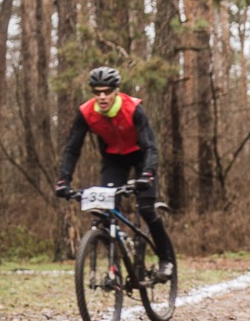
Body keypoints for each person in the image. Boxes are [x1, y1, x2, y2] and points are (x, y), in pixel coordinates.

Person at [55, 66, 175, 280]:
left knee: (147, 209)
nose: (102, 96)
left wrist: (147, 174)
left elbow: (150, 146)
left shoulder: (133, 108)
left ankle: (166, 259)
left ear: (116, 91)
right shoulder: (86, 113)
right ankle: (116, 266)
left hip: (141, 156)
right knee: (106, 212)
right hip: (113, 159)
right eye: (97, 92)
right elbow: (72, 149)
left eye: (107, 91)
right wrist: (64, 180)